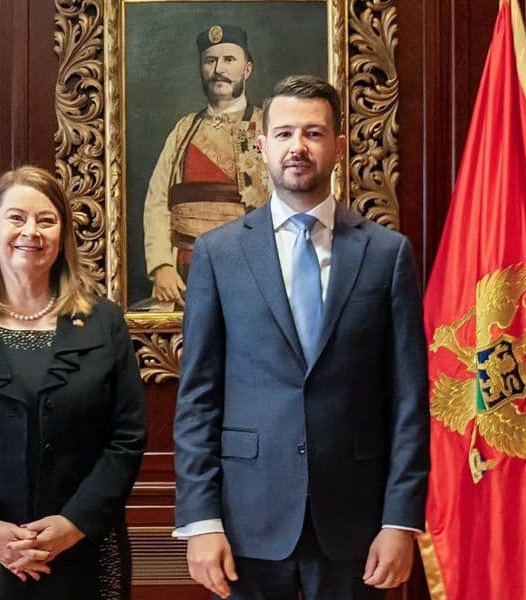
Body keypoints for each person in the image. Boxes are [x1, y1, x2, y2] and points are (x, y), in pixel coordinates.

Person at [173, 75, 430, 599]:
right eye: (284, 133)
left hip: (356, 523)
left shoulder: (387, 254)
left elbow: (408, 398)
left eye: (313, 133)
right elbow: (198, 396)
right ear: (262, 145)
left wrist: (400, 520)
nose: (298, 147)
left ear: (338, 146)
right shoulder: (219, 254)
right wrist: (200, 520)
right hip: (245, 521)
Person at [0, 166, 147, 600]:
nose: (30, 231)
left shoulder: (105, 323)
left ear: (63, 235)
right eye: (16, 217)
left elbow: (126, 438)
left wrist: (73, 523)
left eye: (46, 220)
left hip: (82, 549)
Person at [142, 24, 270, 306]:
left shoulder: (267, 128)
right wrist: (161, 265)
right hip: (184, 270)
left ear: (247, 69)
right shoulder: (184, 130)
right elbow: (158, 200)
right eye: (210, 61)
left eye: (229, 60)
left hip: (250, 269)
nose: (218, 69)